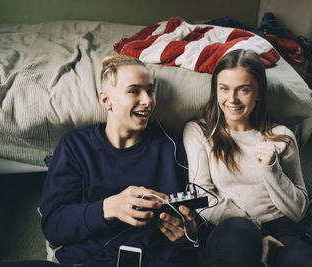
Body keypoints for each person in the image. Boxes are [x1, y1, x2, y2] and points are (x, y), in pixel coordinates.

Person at [40, 54, 204, 267]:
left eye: (150, 91)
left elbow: (197, 218)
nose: (147, 101)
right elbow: (53, 226)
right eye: (134, 91)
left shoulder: (170, 146)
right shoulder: (75, 146)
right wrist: (110, 208)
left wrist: (189, 234)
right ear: (105, 100)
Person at [183, 49, 312, 267]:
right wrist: (256, 231)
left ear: (258, 93)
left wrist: (272, 168)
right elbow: (202, 198)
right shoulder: (199, 132)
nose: (232, 99)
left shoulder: (282, 136)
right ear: (216, 90)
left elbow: (298, 211)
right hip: (232, 227)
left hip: (281, 230)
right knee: (239, 238)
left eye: (244, 90)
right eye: (224, 89)